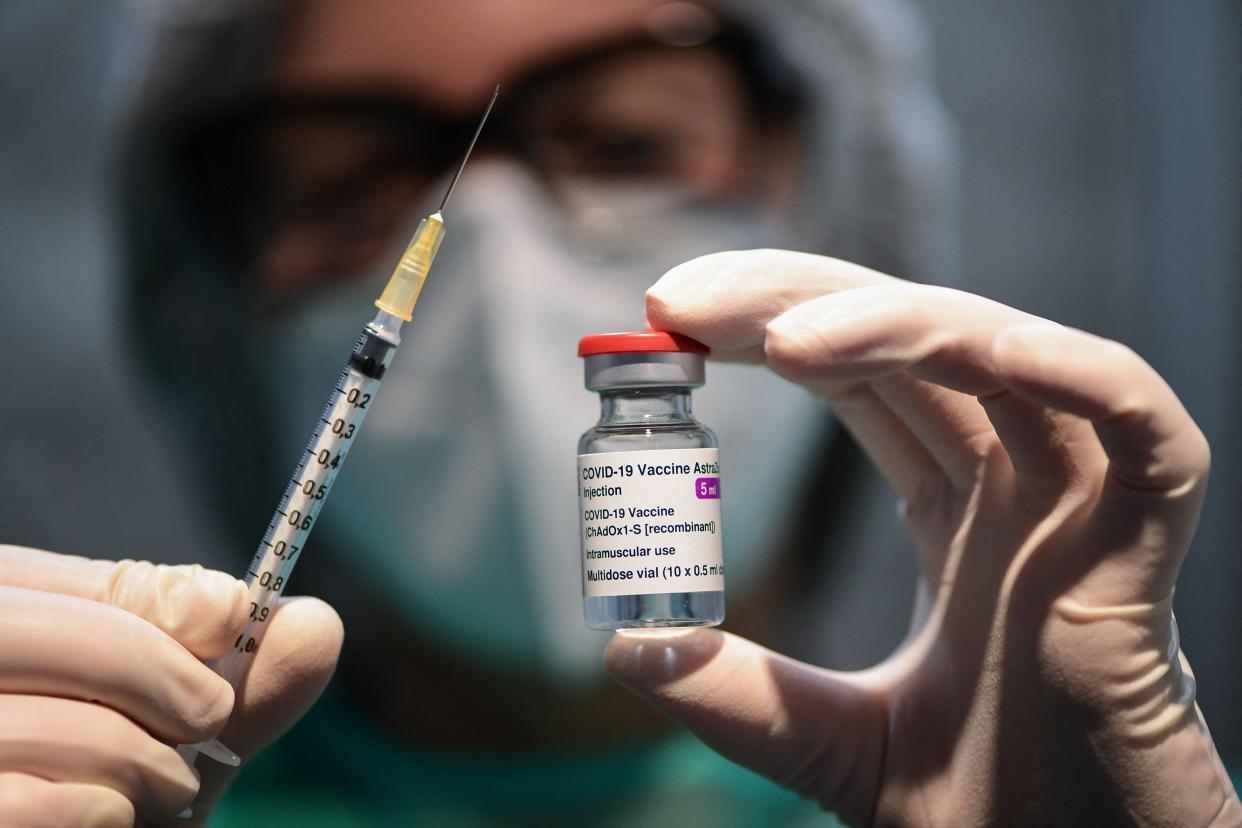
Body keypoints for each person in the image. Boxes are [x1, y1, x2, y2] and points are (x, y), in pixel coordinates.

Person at [1, 1, 1237, 826]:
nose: (490, 227)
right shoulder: (118, 797)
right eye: (346, 175)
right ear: (211, 300)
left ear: (831, 193)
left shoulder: (986, 783)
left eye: (626, 135)